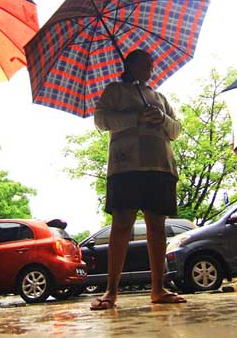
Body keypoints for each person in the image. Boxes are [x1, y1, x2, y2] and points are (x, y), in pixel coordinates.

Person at [91, 49, 185, 310]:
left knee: (157, 225)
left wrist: (162, 118)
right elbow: (101, 120)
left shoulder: (159, 97)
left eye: (151, 64)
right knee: (122, 224)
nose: (149, 69)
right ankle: (111, 292)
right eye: (144, 64)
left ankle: (158, 289)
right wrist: (136, 118)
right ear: (129, 65)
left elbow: (176, 131)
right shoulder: (114, 91)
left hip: (160, 167)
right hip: (125, 167)